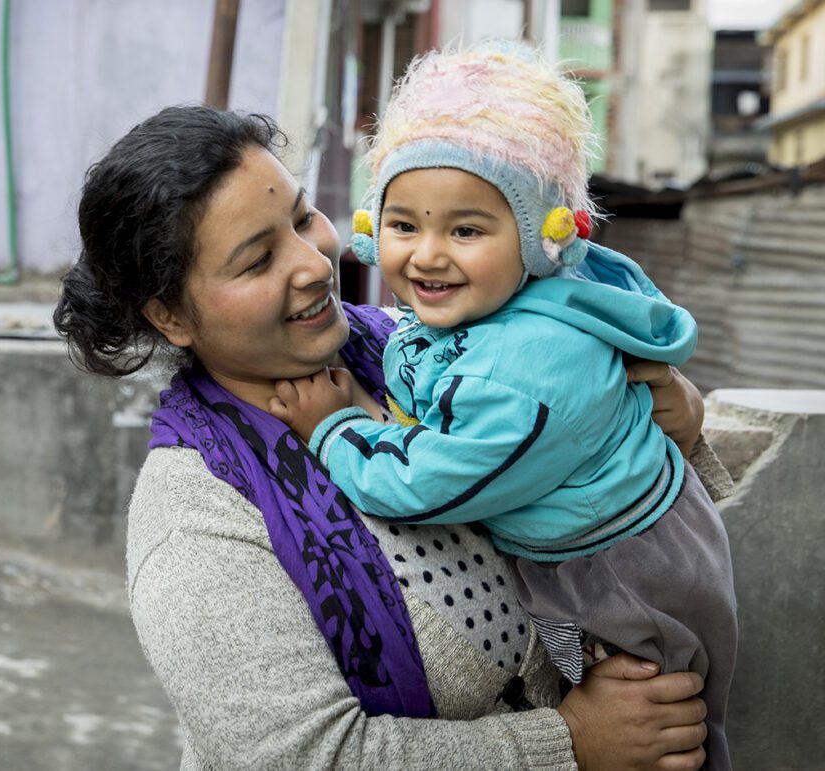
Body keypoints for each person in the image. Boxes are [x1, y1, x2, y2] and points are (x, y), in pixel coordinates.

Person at [54, 104, 718, 770]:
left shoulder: (426, 348)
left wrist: (676, 428)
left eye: (301, 215)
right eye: (258, 261)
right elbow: (300, 756)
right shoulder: (198, 520)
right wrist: (567, 742)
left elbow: (585, 480)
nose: (313, 261)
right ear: (171, 315)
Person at [267, 45, 736, 770]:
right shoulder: (483, 313)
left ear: (541, 238)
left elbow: (429, 479)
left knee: (661, 731)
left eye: (466, 230)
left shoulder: (524, 371)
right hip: (600, 549)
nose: (427, 255)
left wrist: (334, 429)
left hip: (622, 575)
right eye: (404, 225)